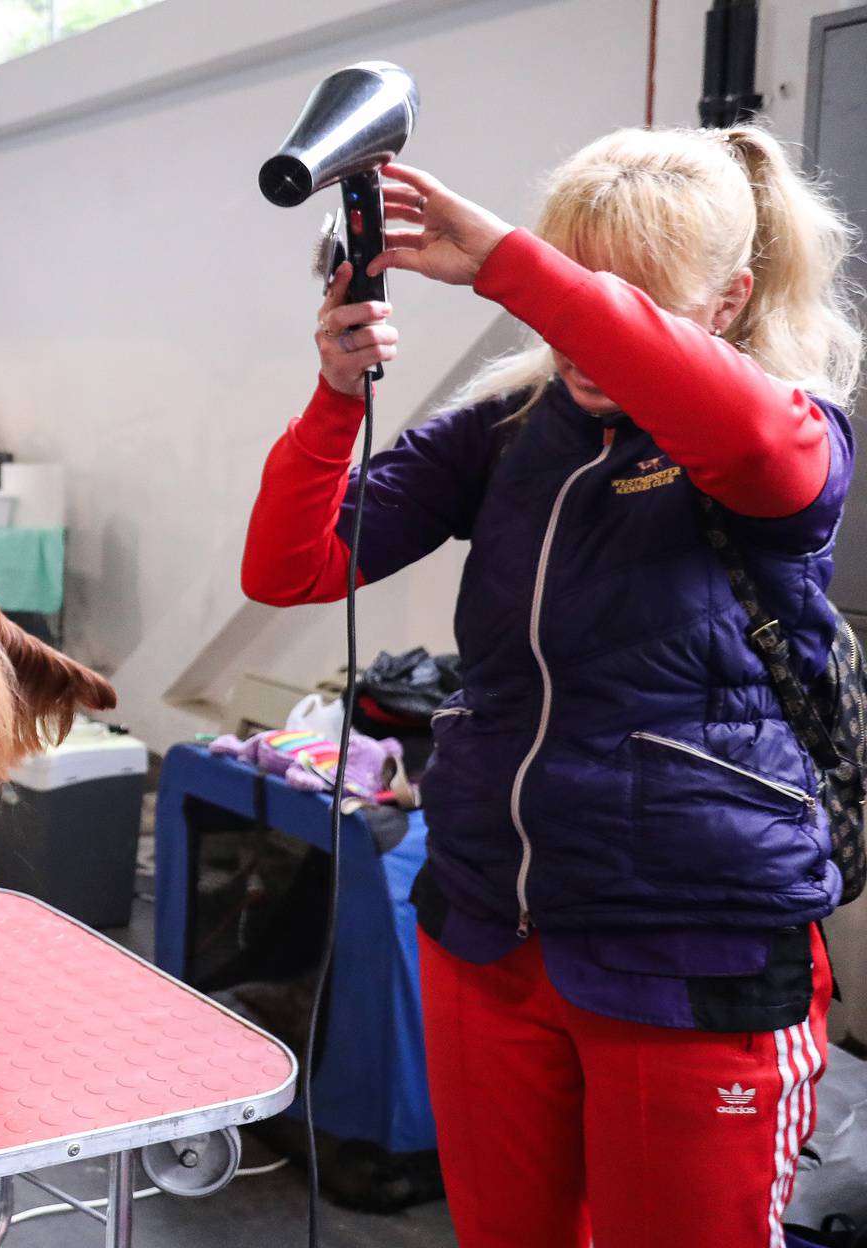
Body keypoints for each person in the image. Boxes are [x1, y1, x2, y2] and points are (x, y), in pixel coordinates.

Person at [243, 125, 860, 1246]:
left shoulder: (791, 435)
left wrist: (519, 266)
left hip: (690, 955)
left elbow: (752, 445)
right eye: (573, 282)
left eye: (621, 295)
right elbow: (294, 567)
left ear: (727, 300)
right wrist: (337, 397)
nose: (577, 326)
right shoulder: (513, 434)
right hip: (490, 931)